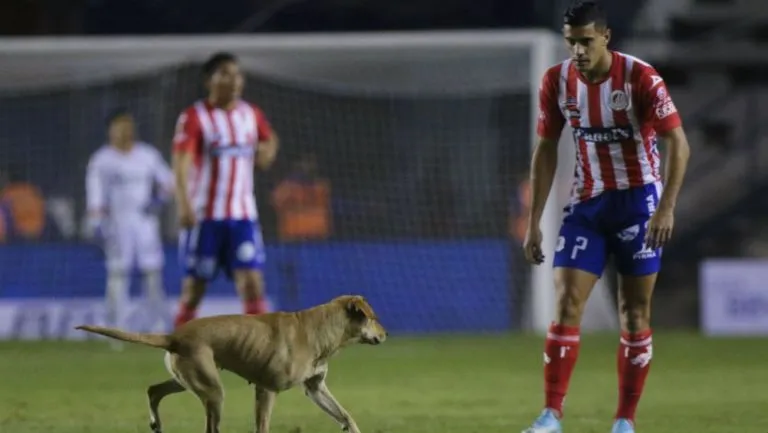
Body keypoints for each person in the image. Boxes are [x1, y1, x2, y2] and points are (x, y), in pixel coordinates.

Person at [521, 2, 691, 433]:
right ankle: (551, 416)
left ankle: (624, 421)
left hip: (638, 206)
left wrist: (666, 206)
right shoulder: (556, 81)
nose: (577, 50)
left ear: (605, 37)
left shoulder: (640, 77)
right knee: (565, 304)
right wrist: (534, 220)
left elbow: (679, 143)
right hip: (587, 206)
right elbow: (545, 151)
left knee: (634, 313)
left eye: (585, 41)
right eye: (571, 42)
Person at [172, 51, 279, 328]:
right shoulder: (194, 117)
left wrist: (267, 151)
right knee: (195, 289)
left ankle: (260, 351)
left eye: (237, 75)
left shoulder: (250, 113)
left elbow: (269, 138)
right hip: (205, 216)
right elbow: (181, 162)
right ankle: (179, 349)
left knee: (252, 283)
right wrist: (183, 204)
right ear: (209, 80)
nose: (233, 80)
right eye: (225, 74)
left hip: (243, 216)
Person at [85, 109, 175, 349]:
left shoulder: (147, 155)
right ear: (110, 130)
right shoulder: (101, 160)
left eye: (128, 125)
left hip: (145, 223)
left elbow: (169, 182)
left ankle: (160, 330)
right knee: (118, 276)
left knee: (152, 276)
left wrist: (158, 201)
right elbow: (95, 197)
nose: (125, 131)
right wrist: (97, 225)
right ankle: (116, 332)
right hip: (117, 224)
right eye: (119, 126)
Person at [272, 153, 332, 241]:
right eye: (306, 162)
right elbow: (275, 202)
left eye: (311, 162)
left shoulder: (322, 186)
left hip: (319, 238)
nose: (309, 166)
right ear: (297, 164)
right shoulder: (285, 188)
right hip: (293, 238)